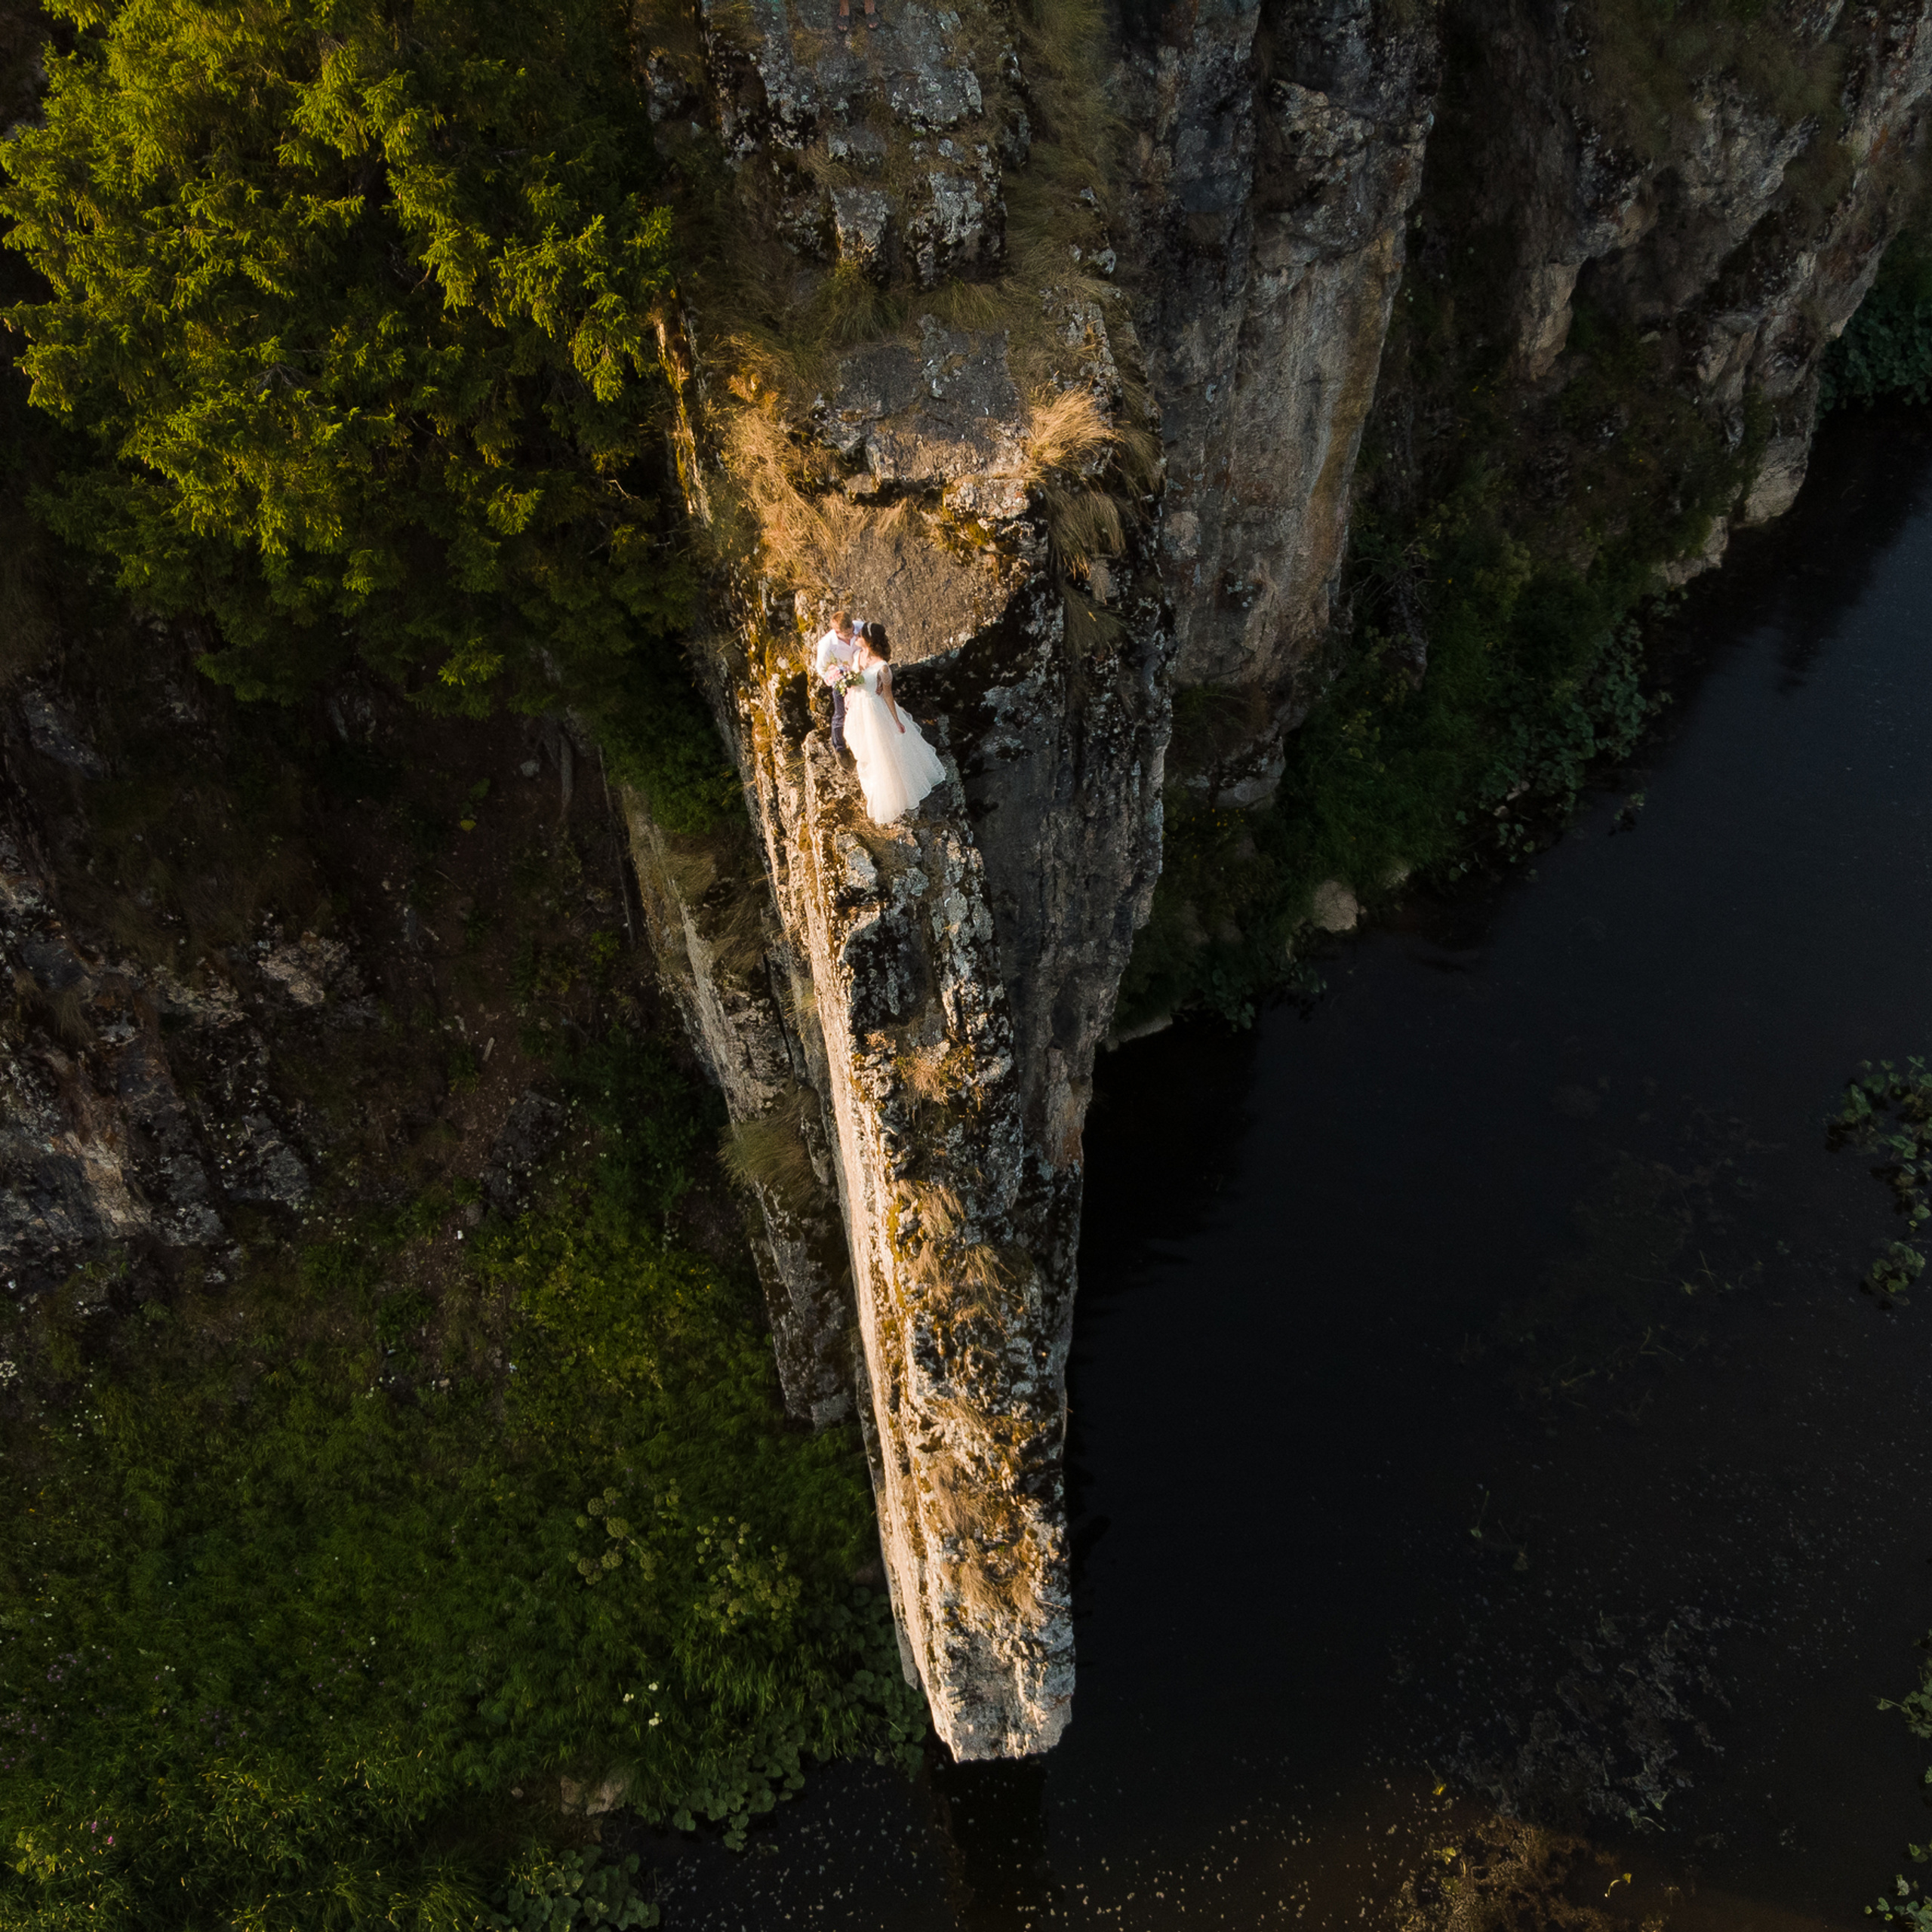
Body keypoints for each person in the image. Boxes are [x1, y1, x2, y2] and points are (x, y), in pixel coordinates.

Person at [843, 622, 945, 824]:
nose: (856, 635)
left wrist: (896, 721)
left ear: (869, 641)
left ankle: (890, 791)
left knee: (880, 750)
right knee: (864, 749)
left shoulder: (883, 667)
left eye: (860, 634)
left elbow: (888, 696)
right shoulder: (857, 655)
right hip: (859, 709)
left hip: (875, 710)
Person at [815, 608, 864, 755]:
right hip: (841, 679)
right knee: (840, 714)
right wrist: (836, 678)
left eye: (852, 631)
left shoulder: (861, 627)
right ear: (837, 632)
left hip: (861, 675)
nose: (851, 635)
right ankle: (839, 748)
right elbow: (821, 669)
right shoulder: (826, 645)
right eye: (847, 634)